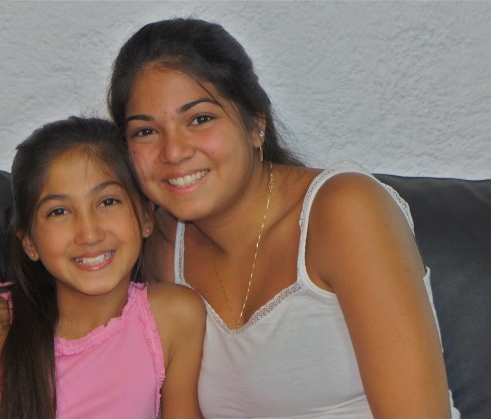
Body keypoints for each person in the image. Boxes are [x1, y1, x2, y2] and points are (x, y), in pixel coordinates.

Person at [108, 18, 460, 418]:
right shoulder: (161, 245)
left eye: (200, 119)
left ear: (255, 123)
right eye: (145, 132)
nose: (173, 152)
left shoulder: (345, 210)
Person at [0, 117, 205, 419]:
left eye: (108, 202)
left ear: (147, 217)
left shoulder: (174, 318)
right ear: (29, 242)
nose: (89, 234)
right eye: (59, 211)